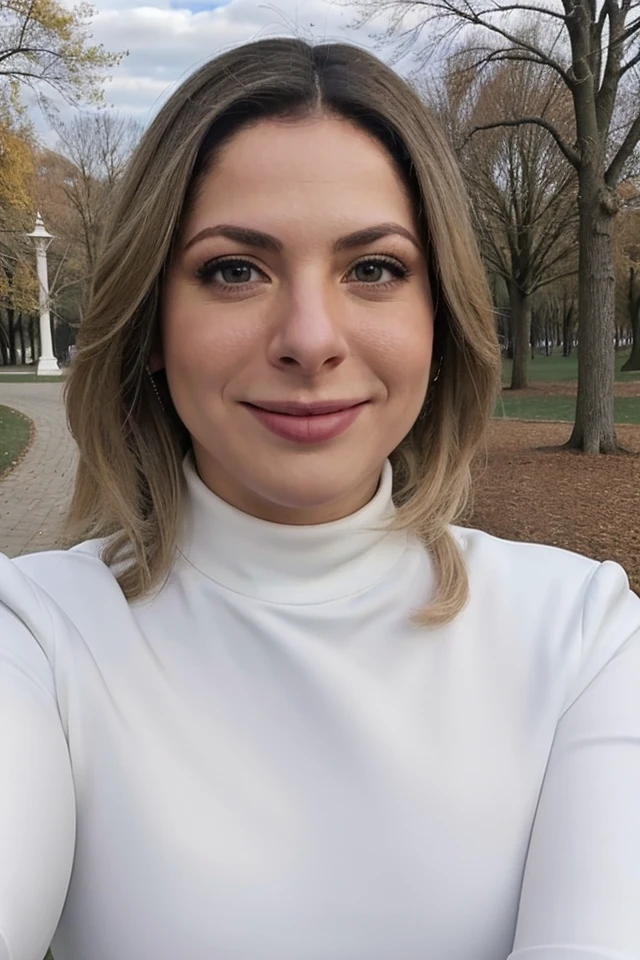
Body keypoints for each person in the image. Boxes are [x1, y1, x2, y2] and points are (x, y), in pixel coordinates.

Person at [1, 36, 639, 960]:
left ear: (438, 319)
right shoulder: (36, 634)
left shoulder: (585, 636)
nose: (310, 337)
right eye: (234, 269)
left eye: (373, 269)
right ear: (149, 326)